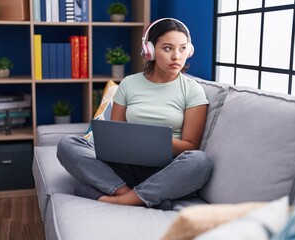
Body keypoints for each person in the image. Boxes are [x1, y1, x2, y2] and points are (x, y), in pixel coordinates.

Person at [57, 18, 212, 210]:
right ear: (150, 50)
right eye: (167, 48)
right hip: (124, 167)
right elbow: (115, 136)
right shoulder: (129, 84)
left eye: (182, 49)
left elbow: (190, 147)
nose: (176, 57)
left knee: (200, 162)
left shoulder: (192, 90)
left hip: (165, 170)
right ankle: (137, 196)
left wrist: (153, 139)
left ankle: (117, 198)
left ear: (189, 51)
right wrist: (133, 139)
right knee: (67, 145)